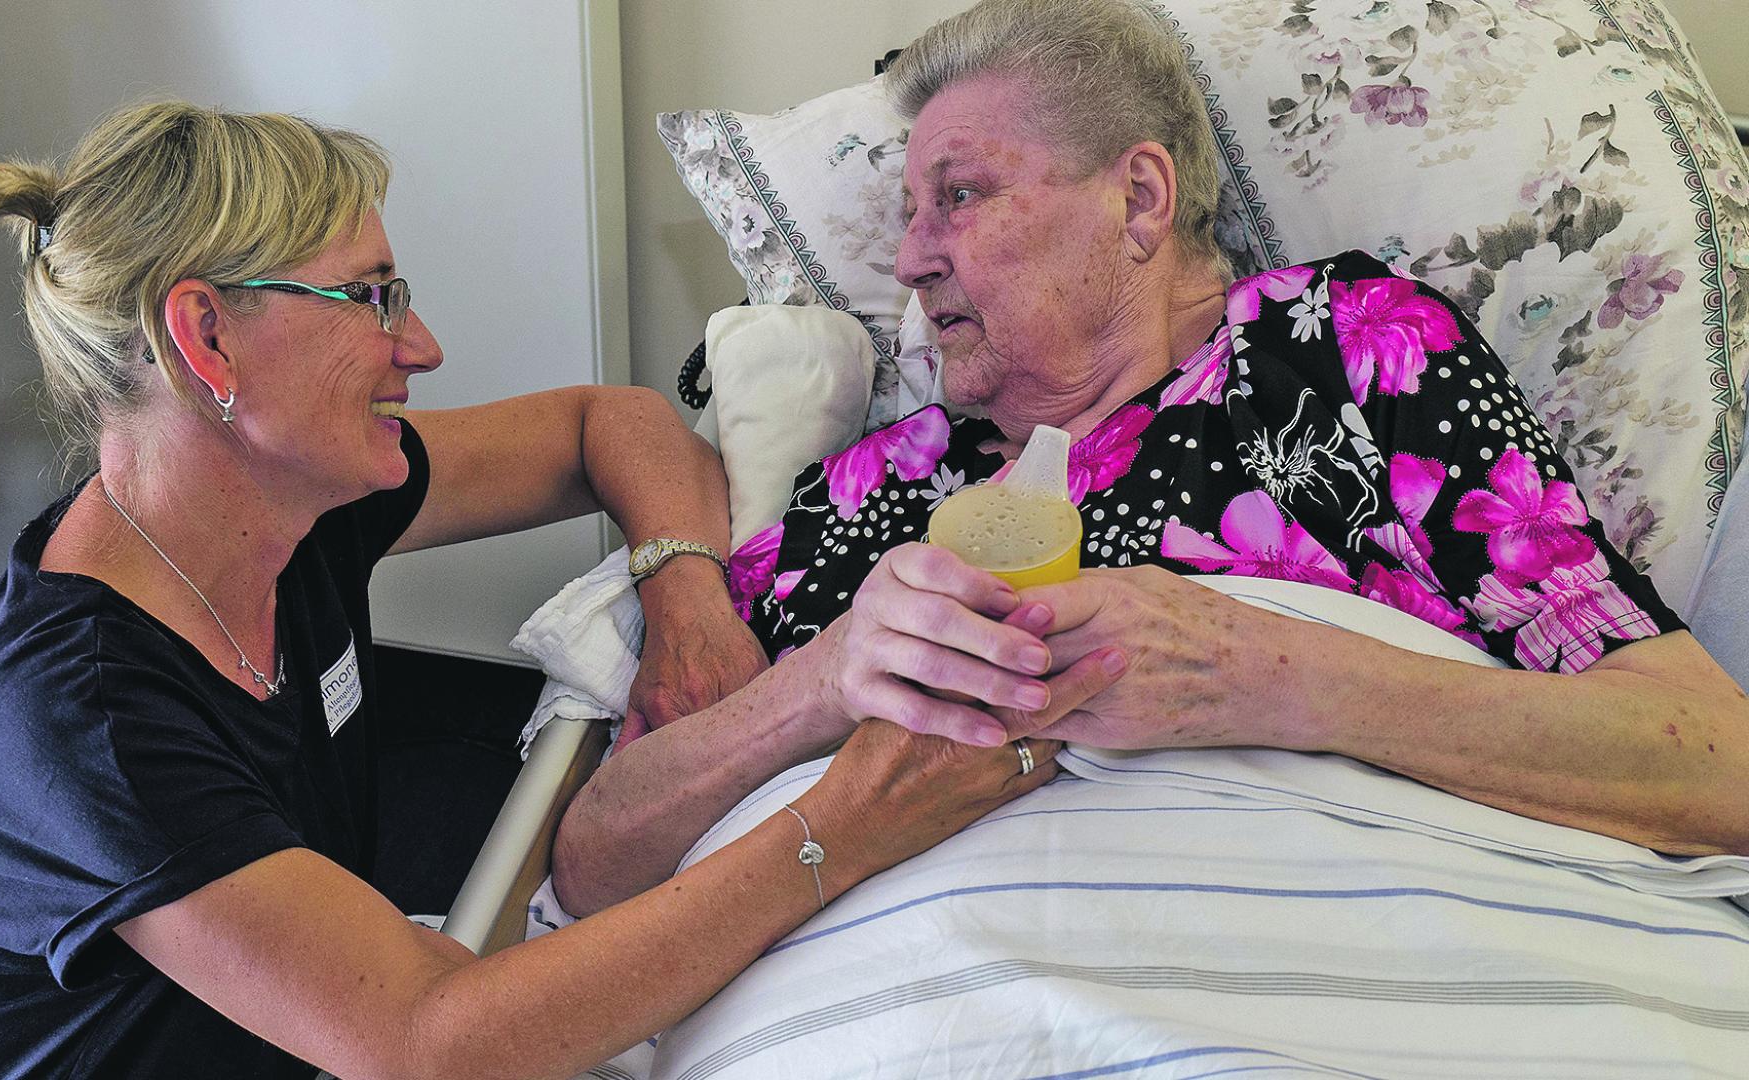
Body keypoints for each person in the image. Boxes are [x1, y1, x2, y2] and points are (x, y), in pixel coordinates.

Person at [0, 102, 1122, 1079]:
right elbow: (430, 1048)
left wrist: (685, 591)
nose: (421, 345)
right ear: (206, 341)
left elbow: (605, 424)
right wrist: (842, 828)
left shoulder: (289, 512)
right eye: (371, 297)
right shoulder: (80, 720)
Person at [550, 0, 1749, 917]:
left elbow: (1713, 768)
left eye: (957, 198)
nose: (912, 258)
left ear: (1138, 198)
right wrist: (818, 684)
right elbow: (600, 859)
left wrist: (1273, 674)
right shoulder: (887, 489)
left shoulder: (1337, 353)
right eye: (909, 215)